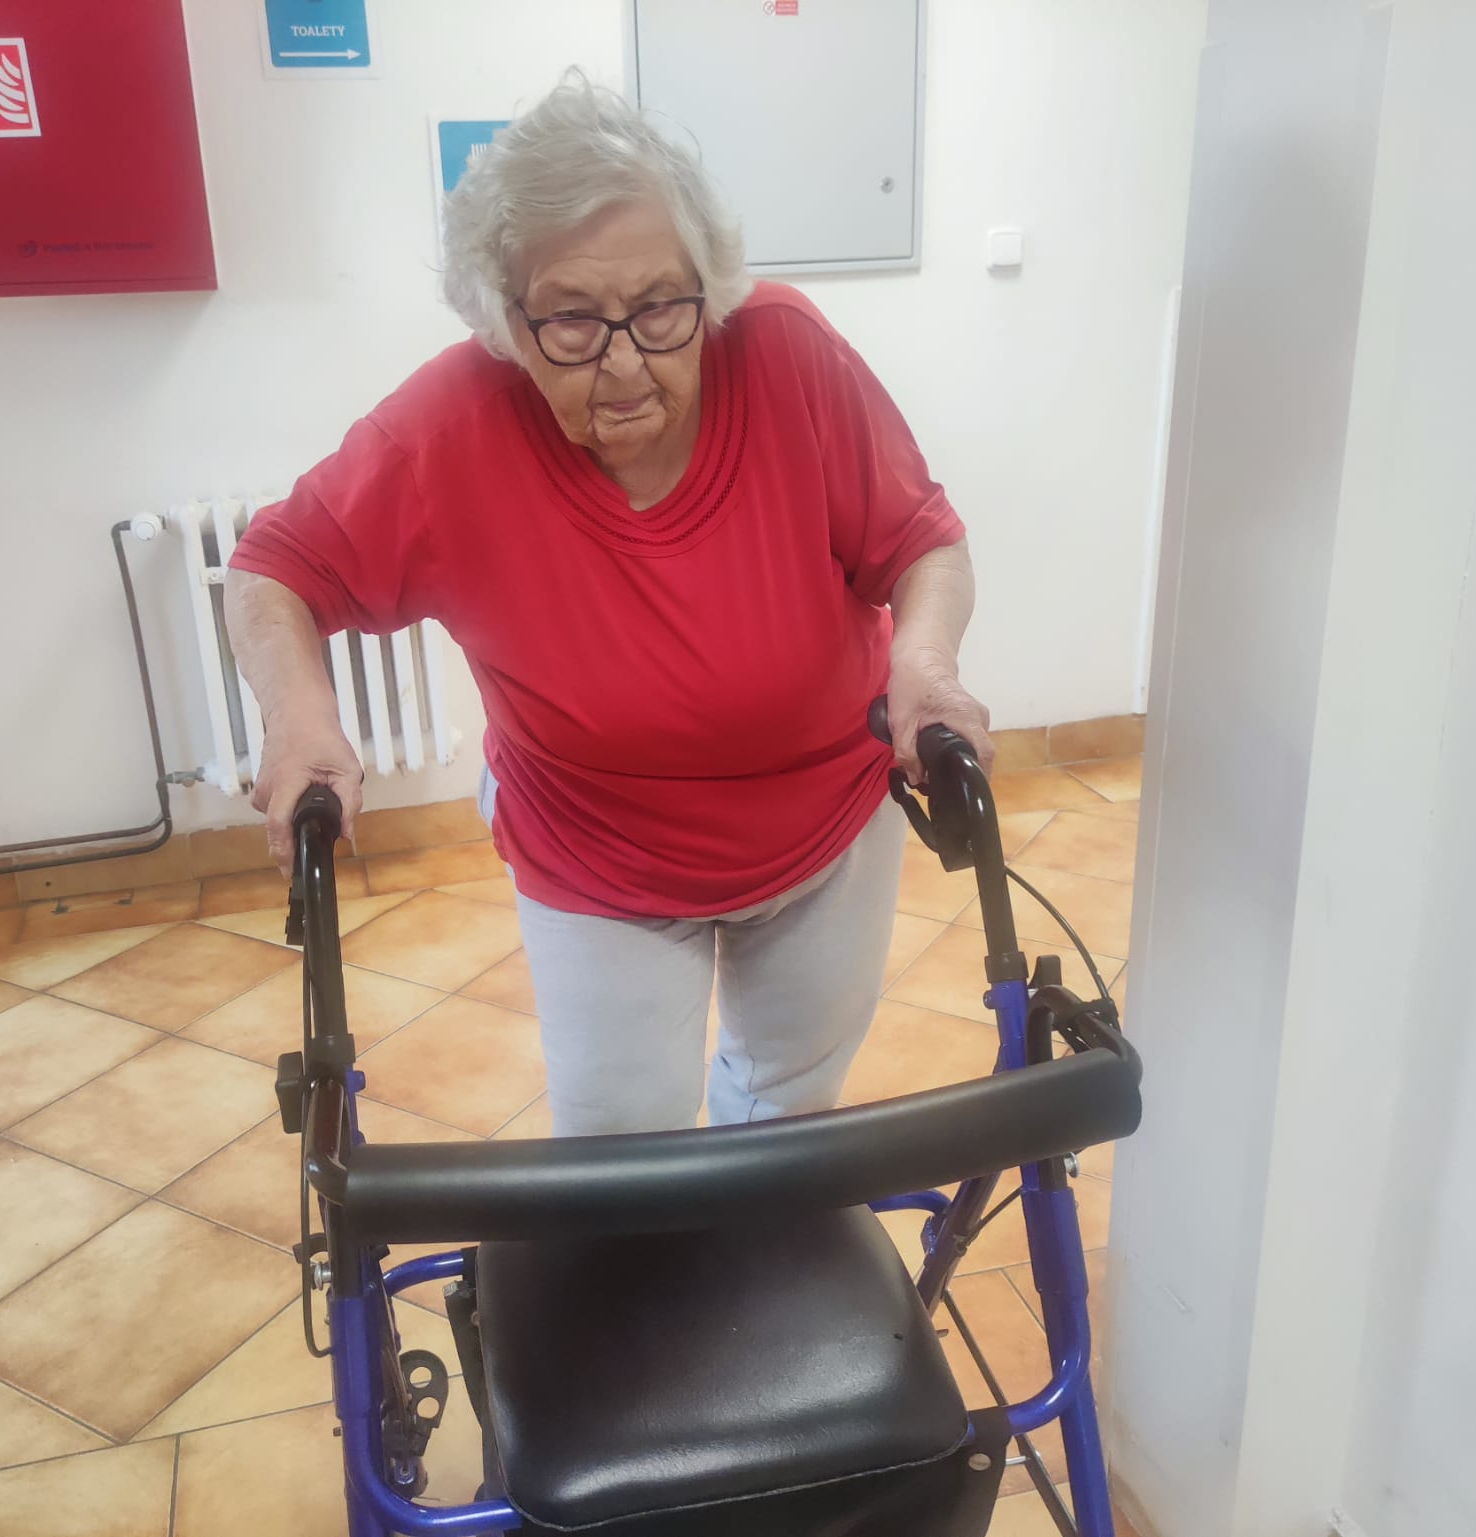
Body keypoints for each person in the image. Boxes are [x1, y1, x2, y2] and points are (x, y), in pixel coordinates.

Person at [226, 73, 991, 1136]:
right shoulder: (450, 430)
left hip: (826, 824)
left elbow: (922, 541)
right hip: (595, 852)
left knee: (788, 1113)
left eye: (661, 306)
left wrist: (924, 665)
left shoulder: (787, 355)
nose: (626, 361)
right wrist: (301, 721)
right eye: (573, 320)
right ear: (506, 319)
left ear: (707, 285)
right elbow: (273, 567)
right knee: (621, 1145)